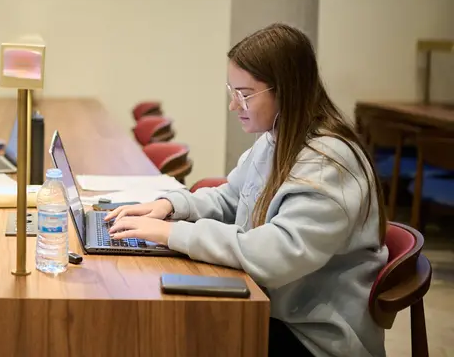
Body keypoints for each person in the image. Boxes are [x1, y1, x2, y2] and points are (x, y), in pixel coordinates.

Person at [106, 23, 388, 357]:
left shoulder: (329, 162)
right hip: (275, 308)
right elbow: (229, 197)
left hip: (313, 337)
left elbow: (275, 255)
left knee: (172, 333)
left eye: (244, 94)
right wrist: (170, 206)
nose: (233, 105)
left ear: (286, 90)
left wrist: (173, 234)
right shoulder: (274, 140)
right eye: (232, 92)